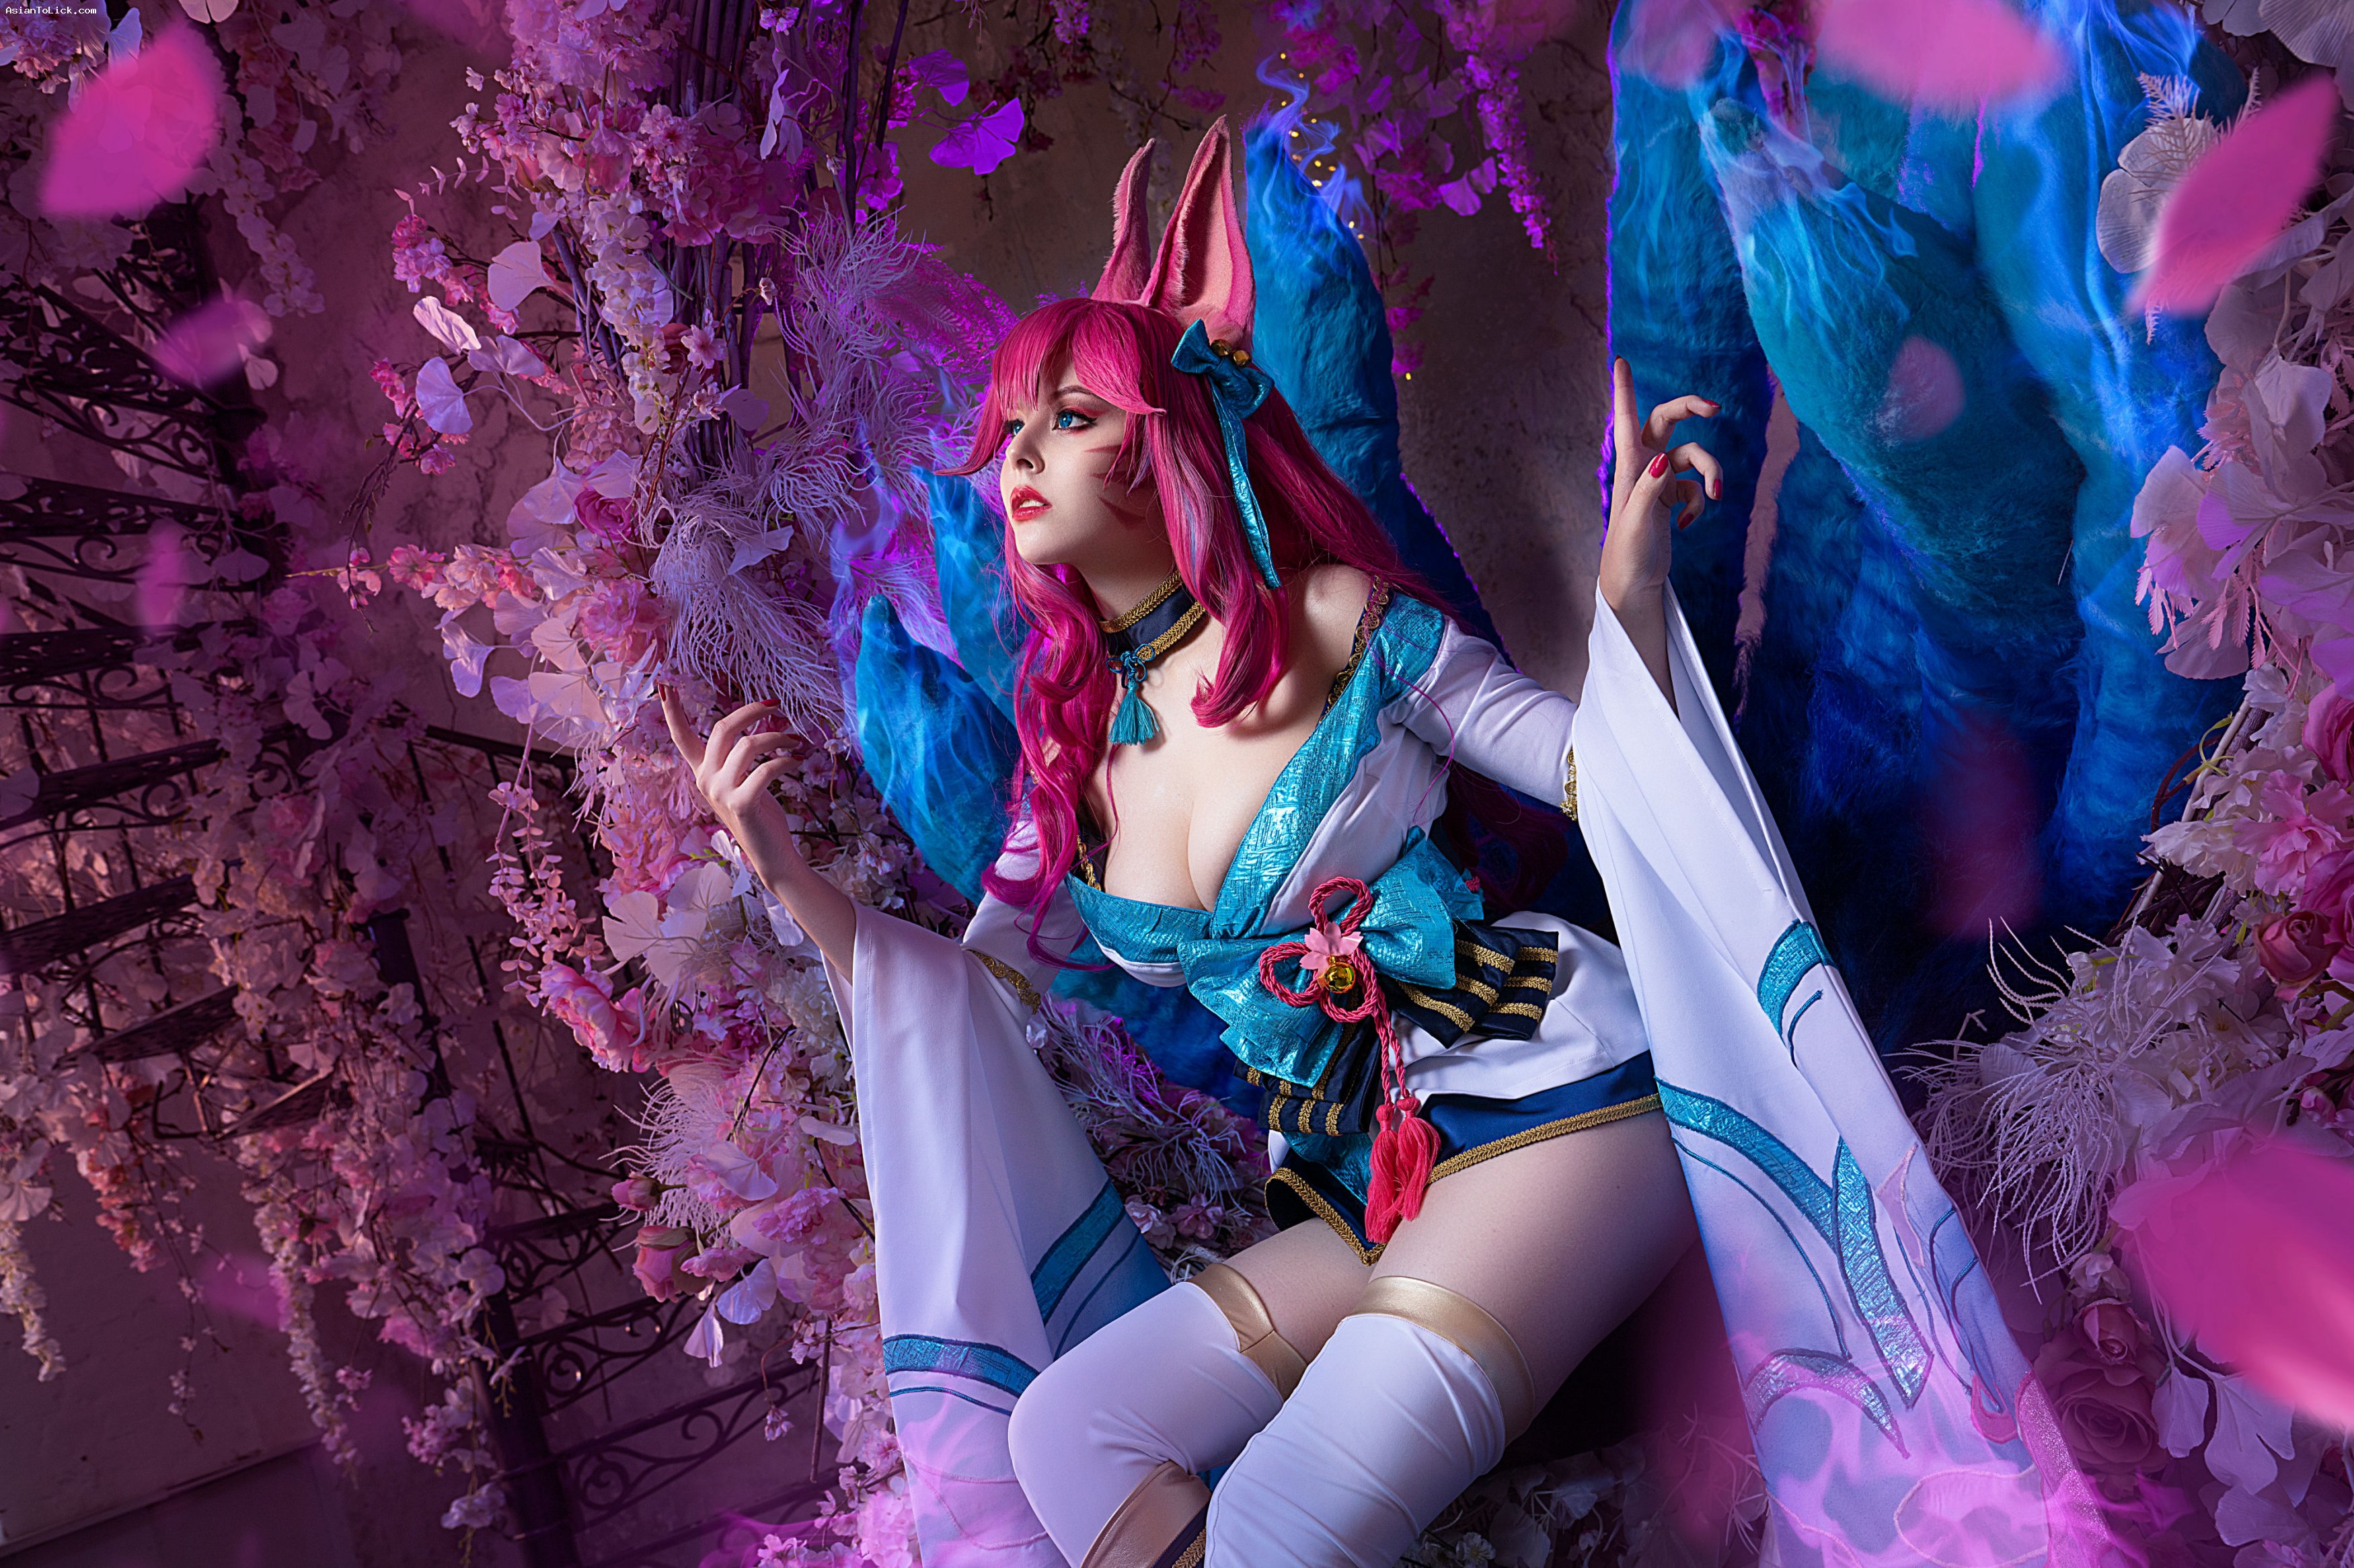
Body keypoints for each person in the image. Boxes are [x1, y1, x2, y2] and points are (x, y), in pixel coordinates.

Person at [668, 121, 2088, 1568]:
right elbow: (971, 991)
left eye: (1070, 417)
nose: (1022, 455)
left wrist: (1629, 595)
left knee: (1275, 1523)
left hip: (1557, 1096)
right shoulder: (1074, 764)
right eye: (1013, 428)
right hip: (1367, 1182)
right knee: (1067, 1433)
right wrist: (793, 883)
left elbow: (1595, 771)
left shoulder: (1334, 619)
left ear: (1166, 435)